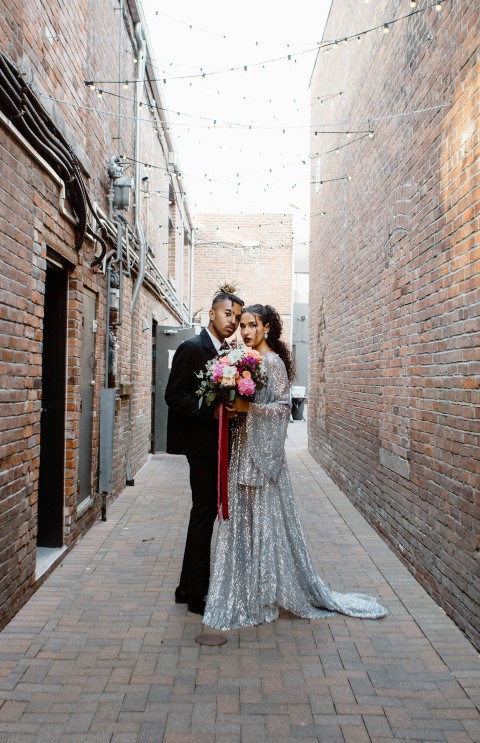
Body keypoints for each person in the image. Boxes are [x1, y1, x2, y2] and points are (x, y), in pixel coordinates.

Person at [203, 304, 387, 630]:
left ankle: (262, 592)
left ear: (267, 329)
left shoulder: (271, 362)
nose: (245, 331)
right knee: (244, 522)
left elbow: (282, 407)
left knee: (262, 521)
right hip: (243, 450)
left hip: (262, 456)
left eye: (252, 325)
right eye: (242, 325)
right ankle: (248, 589)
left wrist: (248, 409)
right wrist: (232, 407)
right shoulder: (246, 360)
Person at [165, 286, 244, 615]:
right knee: (204, 513)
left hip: (218, 444)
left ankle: (186, 588)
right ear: (211, 314)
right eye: (228, 314)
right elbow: (174, 395)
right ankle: (197, 594)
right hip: (201, 446)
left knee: (204, 512)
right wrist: (208, 412)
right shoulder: (191, 348)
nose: (233, 322)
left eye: (238, 318)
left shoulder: (228, 353)